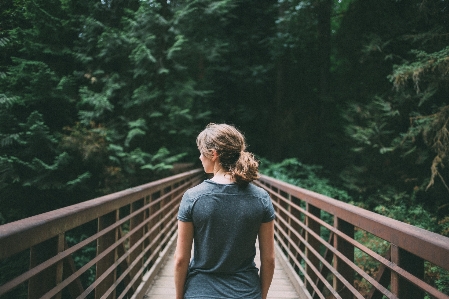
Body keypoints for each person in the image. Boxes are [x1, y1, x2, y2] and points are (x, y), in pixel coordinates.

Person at [174, 123, 276, 299]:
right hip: (246, 292)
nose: (200, 157)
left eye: (201, 152)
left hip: (201, 293)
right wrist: (261, 296)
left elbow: (181, 260)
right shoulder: (260, 198)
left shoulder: (193, 197)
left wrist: (178, 297)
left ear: (213, 154)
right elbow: (269, 260)